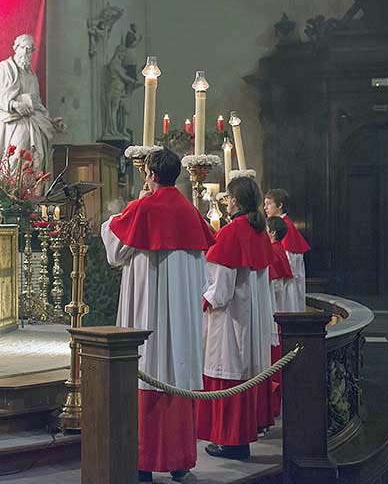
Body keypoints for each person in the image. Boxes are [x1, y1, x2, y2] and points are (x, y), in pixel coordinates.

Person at [101, 148, 215, 482]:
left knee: (148, 366)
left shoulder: (142, 208)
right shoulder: (190, 212)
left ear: (150, 174)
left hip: (146, 312)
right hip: (182, 318)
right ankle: (179, 462)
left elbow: (114, 246)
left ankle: (143, 463)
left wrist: (128, 208)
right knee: (177, 370)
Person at [197, 176, 275, 460]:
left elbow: (222, 289)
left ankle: (231, 441)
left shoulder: (232, 233)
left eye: (229, 197)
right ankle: (240, 439)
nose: (227, 202)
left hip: (231, 321)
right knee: (244, 376)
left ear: (237, 201)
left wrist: (203, 300)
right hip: (251, 320)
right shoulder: (259, 231)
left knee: (227, 376)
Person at [0, 34, 64, 173]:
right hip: (16, 123)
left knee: (36, 160)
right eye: (25, 48)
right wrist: (14, 104)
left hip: (34, 123)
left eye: (30, 50)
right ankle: (11, 192)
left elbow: (36, 103)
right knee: (16, 157)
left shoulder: (31, 74)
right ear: (16, 48)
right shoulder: (5, 68)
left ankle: (31, 194)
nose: (27, 53)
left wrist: (50, 121)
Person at [264, 189, 310, 313]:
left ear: (280, 205)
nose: (265, 208)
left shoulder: (285, 227)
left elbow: (291, 264)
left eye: (268, 204)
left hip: (286, 284)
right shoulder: (278, 224)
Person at [266, 216, 293, 422]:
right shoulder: (279, 251)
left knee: (272, 367)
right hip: (278, 315)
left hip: (273, 317)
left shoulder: (274, 251)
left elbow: (274, 286)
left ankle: (273, 407)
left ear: (273, 233)